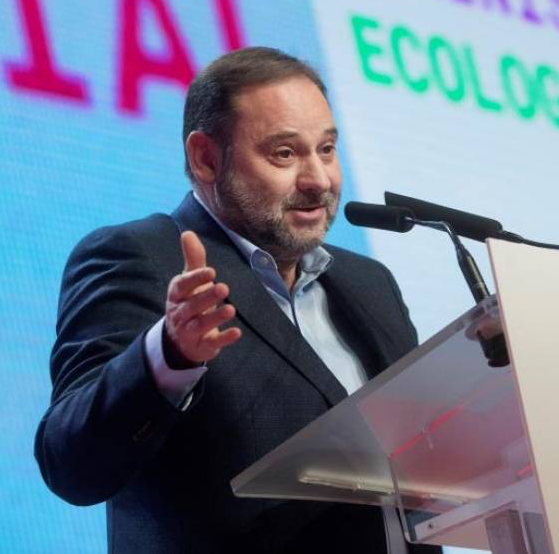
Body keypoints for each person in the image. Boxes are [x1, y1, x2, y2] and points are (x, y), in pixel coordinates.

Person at [35, 47, 440, 553]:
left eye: (327, 149)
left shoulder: (369, 284)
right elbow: (70, 464)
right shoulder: (141, 257)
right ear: (206, 158)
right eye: (285, 154)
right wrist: (167, 356)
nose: (319, 179)